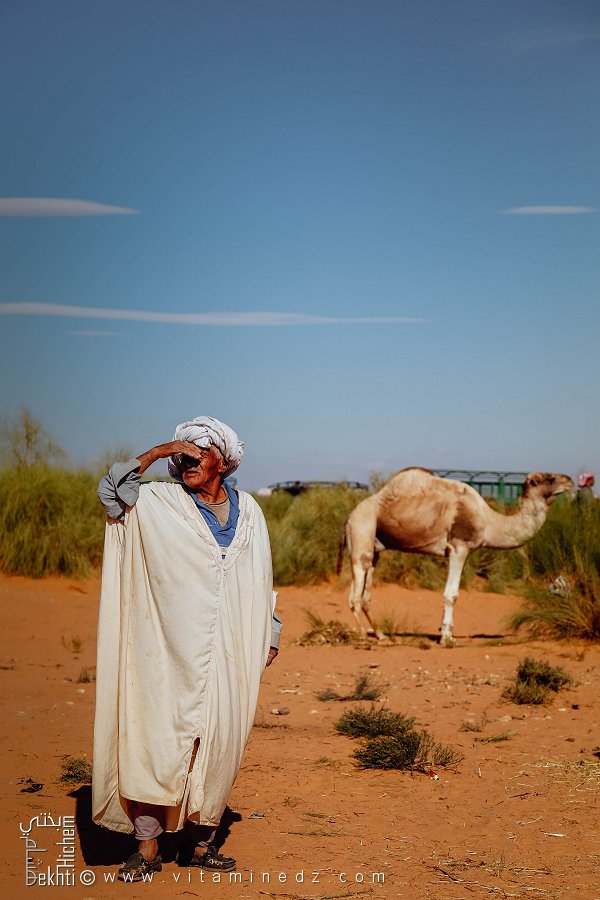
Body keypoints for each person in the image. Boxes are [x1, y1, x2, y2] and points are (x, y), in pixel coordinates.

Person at [92, 416, 281, 882]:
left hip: (231, 648)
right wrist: (158, 451)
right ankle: (147, 847)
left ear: (223, 459)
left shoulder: (251, 511)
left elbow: (261, 576)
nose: (186, 460)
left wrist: (269, 632)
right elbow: (110, 490)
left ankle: (200, 845)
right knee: (159, 736)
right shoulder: (160, 501)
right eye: (182, 455)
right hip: (168, 648)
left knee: (220, 742)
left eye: (196, 453)